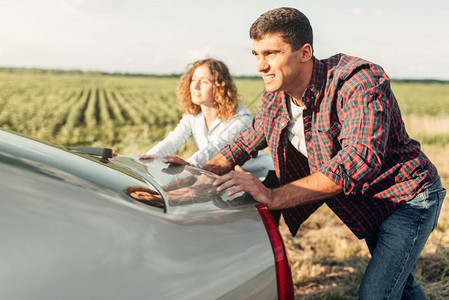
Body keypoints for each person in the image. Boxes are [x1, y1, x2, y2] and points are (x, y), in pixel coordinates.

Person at [204, 7, 446, 299]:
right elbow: (245, 141)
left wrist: (273, 196)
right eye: (256, 54)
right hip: (366, 201)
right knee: (400, 284)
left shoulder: (357, 80)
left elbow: (359, 160)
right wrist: (194, 175)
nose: (260, 66)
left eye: (271, 54)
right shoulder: (276, 96)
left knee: (376, 294)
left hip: (407, 198)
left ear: (304, 52)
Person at [140, 58, 278, 201]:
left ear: (220, 87)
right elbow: (174, 139)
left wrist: (186, 171)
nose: (196, 86)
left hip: (263, 178)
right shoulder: (193, 116)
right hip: (227, 179)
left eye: (204, 81)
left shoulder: (241, 118)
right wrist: (146, 160)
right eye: (193, 79)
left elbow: (214, 150)